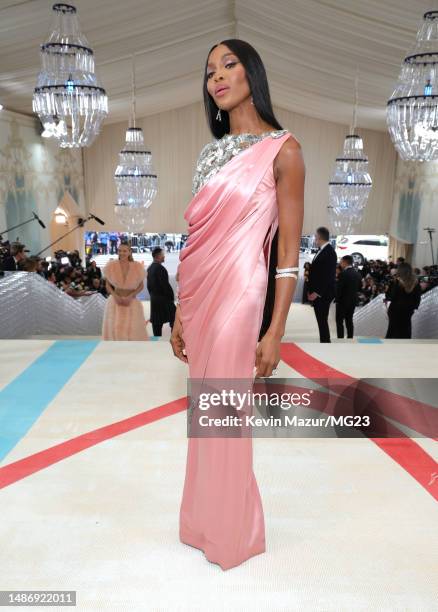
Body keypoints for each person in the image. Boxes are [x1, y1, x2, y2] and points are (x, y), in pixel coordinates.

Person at [170, 39, 304, 570]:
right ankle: (203, 520)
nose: (218, 77)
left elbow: (289, 254)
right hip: (199, 295)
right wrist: (181, 309)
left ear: (253, 71)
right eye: (209, 72)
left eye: (229, 64)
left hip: (241, 292)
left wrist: (274, 332)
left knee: (226, 410)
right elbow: (194, 237)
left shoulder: (284, 150)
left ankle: (233, 533)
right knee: (207, 410)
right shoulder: (209, 152)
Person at [102, 242, 149, 340]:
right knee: (114, 328)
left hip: (131, 302)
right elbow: (107, 285)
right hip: (115, 301)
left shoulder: (137, 267)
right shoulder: (111, 266)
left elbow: (141, 286)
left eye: (124, 251)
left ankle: (132, 352)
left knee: (132, 329)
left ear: (129, 252)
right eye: (119, 251)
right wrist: (115, 296)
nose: (122, 253)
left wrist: (130, 296)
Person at [307, 227, 337, 342]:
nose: (314, 239)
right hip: (318, 293)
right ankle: (324, 341)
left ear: (319, 237)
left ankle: (325, 342)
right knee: (321, 319)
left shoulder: (330, 252)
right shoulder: (322, 250)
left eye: (315, 236)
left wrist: (317, 292)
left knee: (322, 319)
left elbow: (328, 276)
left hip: (323, 294)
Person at [384, 262, 421, 339]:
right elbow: (417, 298)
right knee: (406, 329)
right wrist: (414, 307)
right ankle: (405, 347)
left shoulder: (396, 282)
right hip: (408, 310)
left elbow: (391, 296)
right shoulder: (416, 283)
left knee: (392, 329)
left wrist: (387, 290)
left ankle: (390, 348)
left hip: (395, 309)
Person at [146, 247, 176, 336]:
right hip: (164, 300)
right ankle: (173, 338)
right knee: (175, 318)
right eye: (163, 255)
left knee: (157, 323)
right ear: (158, 256)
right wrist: (171, 297)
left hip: (154, 299)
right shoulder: (160, 268)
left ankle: (156, 343)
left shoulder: (150, 268)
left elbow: (149, 286)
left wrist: (152, 295)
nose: (164, 257)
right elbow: (165, 286)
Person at [335, 255, 362, 339]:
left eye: (341, 261)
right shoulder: (357, 274)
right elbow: (360, 287)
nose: (340, 263)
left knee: (339, 321)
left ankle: (340, 338)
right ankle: (350, 338)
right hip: (353, 301)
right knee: (349, 320)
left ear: (345, 262)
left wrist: (336, 298)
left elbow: (339, 288)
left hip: (342, 301)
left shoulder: (343, 274)